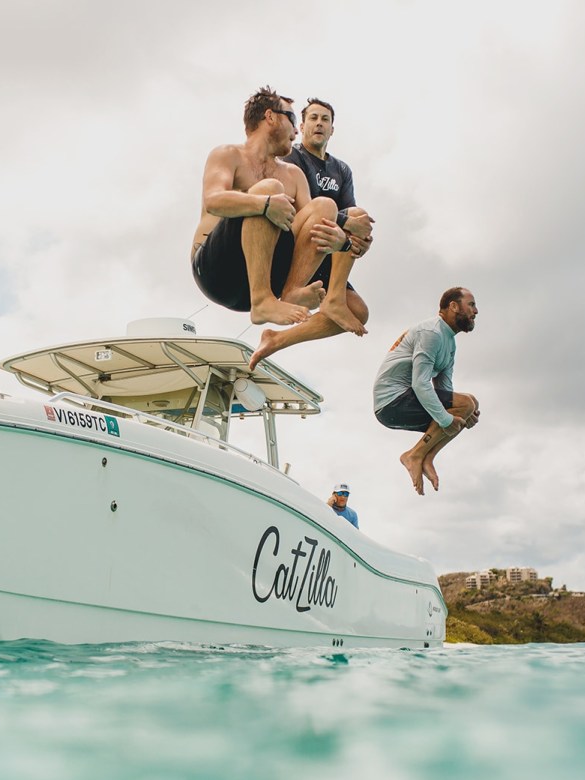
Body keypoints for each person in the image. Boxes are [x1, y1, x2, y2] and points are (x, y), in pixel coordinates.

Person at [191, 86, 352, 329]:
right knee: (271, 190)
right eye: (293, 119)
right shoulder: (228, 154)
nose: (297, 131)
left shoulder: (294, 175)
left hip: (269, 273)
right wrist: (264, 203)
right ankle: (262, 301)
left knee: (324, 207)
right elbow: (213, 201)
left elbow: (310, 232)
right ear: (271, 117)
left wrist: (342, 242)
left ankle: (291, 291)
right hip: (217, 272)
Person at [249, 97, 375, 369]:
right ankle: (321, 296)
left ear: (332, 130)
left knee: (360, 312)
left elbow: (352, 219)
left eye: (325, 119)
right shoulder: (290, 157)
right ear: (302, 126)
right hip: (295, 240)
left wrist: (362, 242)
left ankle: (277, 339)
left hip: (326, 248)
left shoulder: (341, 170)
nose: (319, 123)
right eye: (314, 119)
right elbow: (289, 205)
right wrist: (347, 223)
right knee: (336, 211)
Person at [373, 287, 480, 496]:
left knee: (469, 404)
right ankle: (414, 455)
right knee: (465, 404)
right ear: (453, 306)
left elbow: (444, 390)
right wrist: (450, 419)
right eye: (472, 305)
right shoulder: (431, 333)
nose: (476, 312)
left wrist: (464, 415)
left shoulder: (449, 341)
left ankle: (427, 457)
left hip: (405, 399)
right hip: (391, 402)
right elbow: (421, 384)